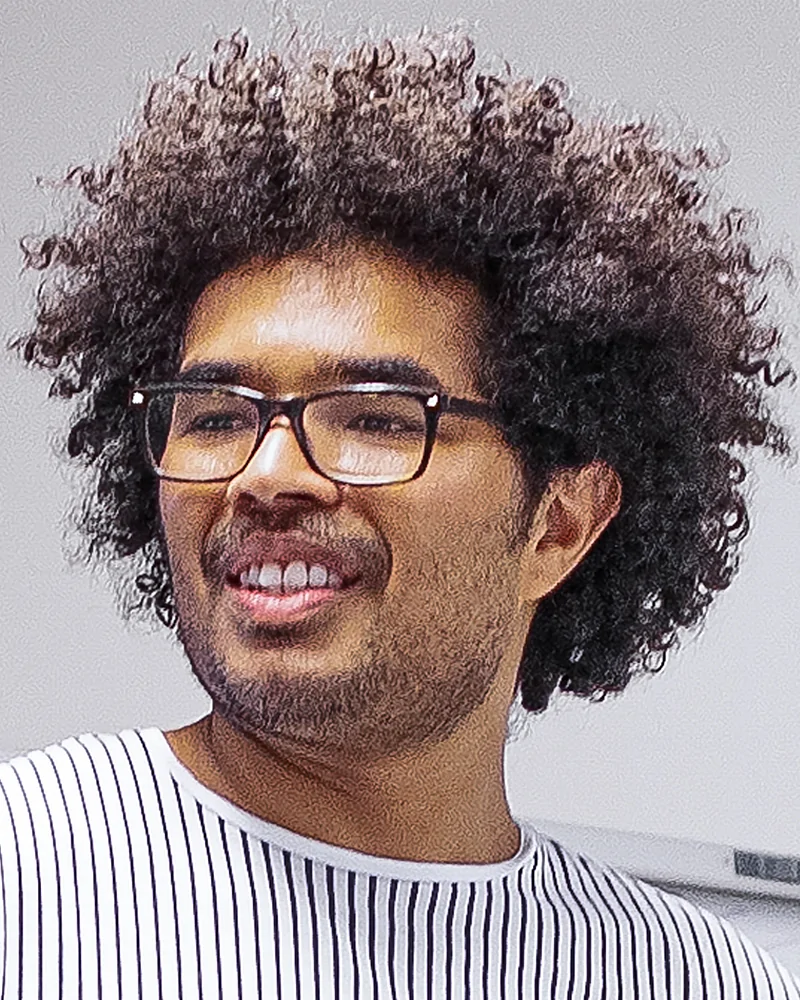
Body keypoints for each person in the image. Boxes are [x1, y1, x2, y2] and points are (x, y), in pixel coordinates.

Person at [4, 25, 798, 999]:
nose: (266, 473)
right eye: (213, 416)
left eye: (377, 417)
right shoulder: (24, 878)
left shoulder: (700, 979)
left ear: (558, 522)